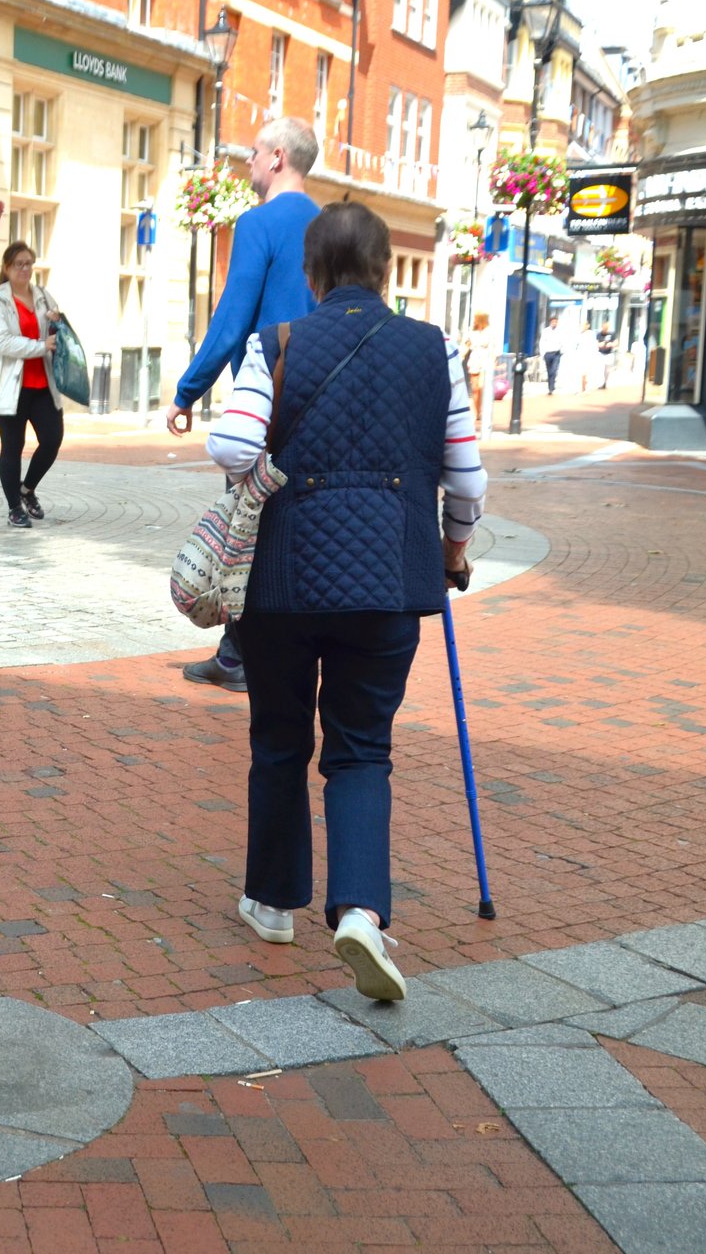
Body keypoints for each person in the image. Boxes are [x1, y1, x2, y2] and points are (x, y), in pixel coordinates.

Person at [206, 201, 487, 1001]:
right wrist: (453, 548)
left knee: (279, 737)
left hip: (283, 581)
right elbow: (466, 479)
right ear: (386, 268)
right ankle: (361, 910)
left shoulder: (281, 343)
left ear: (312, 272)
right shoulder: (437, 352)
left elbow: (228, 443)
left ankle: (271, 902)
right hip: (392, 580)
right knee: (362, 746)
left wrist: (261, 471)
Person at [171, 117, 322, 692]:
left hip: (268, 397)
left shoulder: (259, 223)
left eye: (255, 154)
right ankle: (280, 650)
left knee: (247, 523)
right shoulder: (329, 224)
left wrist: (188, 391)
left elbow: (233, 319)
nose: (249, 164)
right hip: (324, 394)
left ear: (278, 157)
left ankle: (237, 656)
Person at [0, 240, 64, 529]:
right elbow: (3, 342)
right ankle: (14, 508)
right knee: (13, 446)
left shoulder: (43, 296)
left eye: (29, 263)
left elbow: (58, 332)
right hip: (10, 387)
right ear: (7, 268)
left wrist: (56, 321)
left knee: (52, 439)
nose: (25, 269)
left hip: (43, 384)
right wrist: (42, 345)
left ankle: (27, 489)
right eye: (19, 264)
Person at [538, 313, 565, 394]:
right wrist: (542, 353)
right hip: (548, 353)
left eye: (555, 322)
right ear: (550, 322)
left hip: (556, 353)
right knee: (549, 371)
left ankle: (551, 388)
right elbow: (542, 342)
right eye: (553, 322)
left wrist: (562, 350)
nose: (554, 323)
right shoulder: (546, 331)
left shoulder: (560, 331)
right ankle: (550, 386)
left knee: (554, 370)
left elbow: (563, 341)